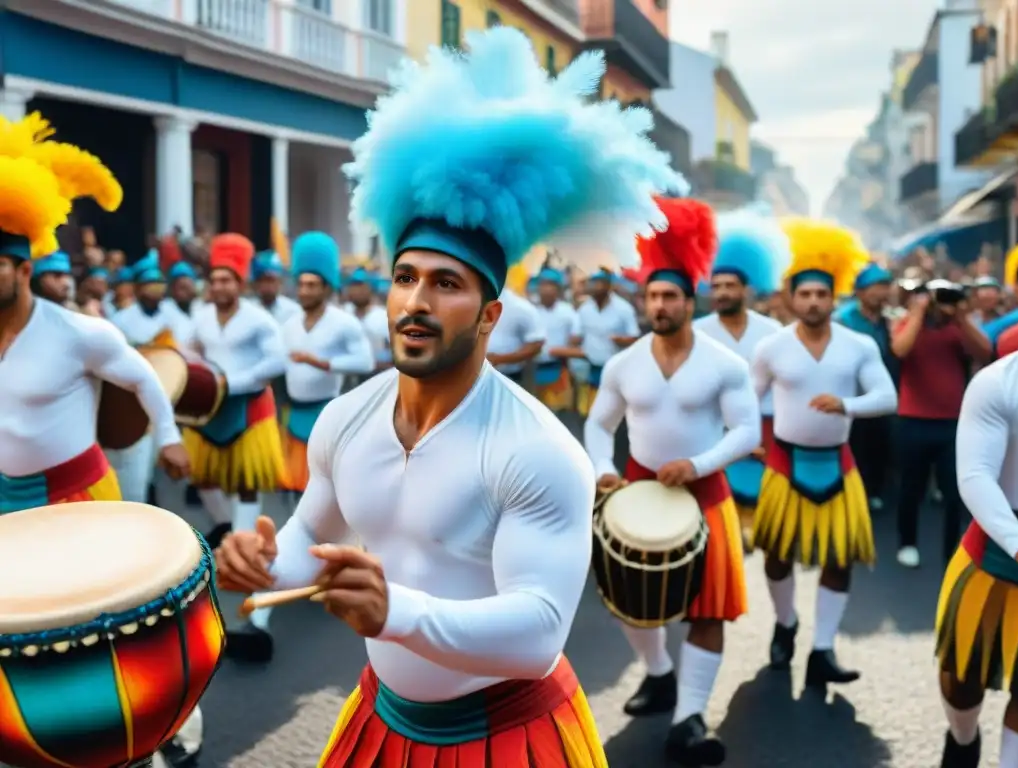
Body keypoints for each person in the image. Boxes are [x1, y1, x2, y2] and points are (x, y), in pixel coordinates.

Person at [214, 27, 681, 765]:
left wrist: (397, 610)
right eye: (405, 278)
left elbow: (538, 634)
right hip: (383, 719)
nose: (416, 301)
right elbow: (309, 535)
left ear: (491, 314)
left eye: (447, 283)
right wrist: (263, 564)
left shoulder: (538, 450)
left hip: (508, 734)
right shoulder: (347, 419)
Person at [0, 113, 199, 765]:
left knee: (109, 631)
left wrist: (168, 439)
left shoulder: (78, 332)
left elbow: (147, 379)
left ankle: (173, 718)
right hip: (5, 507)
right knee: (20, 640)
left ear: (21, 267)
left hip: (77, 497)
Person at [584, 196, 758, 766]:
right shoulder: (623, 364)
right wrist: (603, 470)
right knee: (632, 603)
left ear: (690, 301)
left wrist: (700, 464)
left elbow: (746, 430)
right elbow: (597, 422)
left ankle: (689, 717)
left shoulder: (724, 364)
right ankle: (659, 674)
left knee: (708, 612)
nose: (660, 305)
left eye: (670, 297)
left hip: (705, 496)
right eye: (653, 296)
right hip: (635, 494)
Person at [750, 219, 897, 688]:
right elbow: (745, 400)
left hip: (839, 461)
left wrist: (846, 404)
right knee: (776, 555)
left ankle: (823, 649)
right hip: (783, 462)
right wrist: (746, 437)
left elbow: (887, 397)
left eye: (821, 294)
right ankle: (786, 622)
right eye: (805, 294)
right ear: (792, 298)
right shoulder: (770, 346)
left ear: (834, 299)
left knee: (841, 558)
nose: (813, 301)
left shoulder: (859, 344)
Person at [185, 233, 288, 662]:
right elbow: (190, 351)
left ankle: (252, 587)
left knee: (248, 494)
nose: (220, 286)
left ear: (240, 283)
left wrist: (233, 382)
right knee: (206, 480)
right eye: (215, 279)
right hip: (212, 416)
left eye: (228, 279)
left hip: (249, 414)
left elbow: (277, 363)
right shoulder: (202, 316)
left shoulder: (259, 320)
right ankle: (233, 536)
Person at [934, 350, 1018, 768]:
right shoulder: (997, 381)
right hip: (994, 555)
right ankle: (963, 738)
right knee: (961, 682)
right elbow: (975, 475)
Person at [693, 209, 788, 551]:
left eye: (730, 286)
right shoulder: (697, 333)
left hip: (765, 426)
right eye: (716, 286)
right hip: (713, 427)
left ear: (747, 290)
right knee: (719, 511)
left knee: (765, 514)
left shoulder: (773, 332)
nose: (722, 292)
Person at [890, 279, 991, 567]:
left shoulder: (958, 327)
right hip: (913, 420)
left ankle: (953, 550)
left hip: (953, 423)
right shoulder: (909, 323)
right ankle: (907, 542)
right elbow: (900, 350)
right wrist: (919, 312)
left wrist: (960, 318)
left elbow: (984, 352)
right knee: (911, 488)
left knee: (955, 492)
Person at [281, 231, 374, 491]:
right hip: (294, 414)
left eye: (311, 285)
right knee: (296, 490)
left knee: (328, 488)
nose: (304, 291)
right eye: (300, 284)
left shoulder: (343, 322)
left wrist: (321, 363)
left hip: (327, 413)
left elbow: (365, 361)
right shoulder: (288, 325)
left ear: (326, 287)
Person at [107, 249, 195, 504]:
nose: (155, 291)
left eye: (158, 285)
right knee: (136, 474)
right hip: (133, 402)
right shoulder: (120, 320)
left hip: (169, 396)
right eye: (149, 285)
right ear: (136, 288)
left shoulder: (173, 317)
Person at [834, 263, 898, 511]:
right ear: (860, 292)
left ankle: (872, 491)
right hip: (851, 397)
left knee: (878, 446)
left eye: (885, 287)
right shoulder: (844, 319)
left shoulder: (887, 321)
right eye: (876, 287)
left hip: (880, 395)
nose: (882, 293)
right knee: (854, 447)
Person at [575, 268, 641, 417]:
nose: (597, 287)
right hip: (591, 370)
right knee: (589, 414)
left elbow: (634, 338)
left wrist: (621, 340)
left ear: (609, 285)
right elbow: (578, 337)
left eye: (601, 283)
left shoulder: (624, 309)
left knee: (612, 416)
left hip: (615, 372)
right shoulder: (585, 309)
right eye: (594, 282)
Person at [532, 267, 581, 413]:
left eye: (551, 285)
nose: (546, 289)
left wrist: (563, 351)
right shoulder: (532, 311)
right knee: (537, 411)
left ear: (558, 289)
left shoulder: (568, 311)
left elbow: (576, 337)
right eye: (543, 284)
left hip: (560, 369)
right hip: (533, 369)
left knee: (557, 414)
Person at [486, 282, 546, 385]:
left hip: (508, 378)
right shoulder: (469, 301)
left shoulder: (520, 307)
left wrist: (499, 359)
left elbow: (536, 344)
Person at [251, 250, 300, 325]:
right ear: (256, 283)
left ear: (280, 281)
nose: (268, 285)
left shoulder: (293, 311)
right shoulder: (249, 310)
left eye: (272, 280)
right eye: (264, 280)